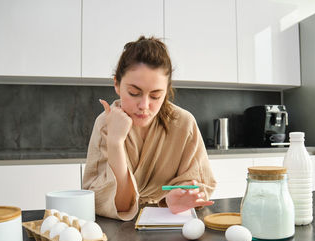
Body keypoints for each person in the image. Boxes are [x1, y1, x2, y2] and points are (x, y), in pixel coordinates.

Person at [82, 36, 216, 221]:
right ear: (117, 84)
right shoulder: (105, 123)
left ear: (166, 91)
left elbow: (199, 184)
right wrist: (115, 141)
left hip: (170, 225)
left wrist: (179, 198)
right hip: (117, 232)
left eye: (155, 96)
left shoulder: (184, 123)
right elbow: (117, 204)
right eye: (134, 93)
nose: (144, 105)